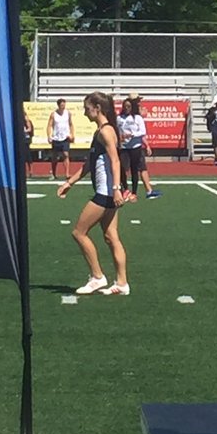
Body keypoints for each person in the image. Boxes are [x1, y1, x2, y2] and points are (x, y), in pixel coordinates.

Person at [57, 91, 130, 296]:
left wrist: (116, 190)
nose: (84, 112)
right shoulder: (101, 131)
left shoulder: (106, 132)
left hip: (106, 193)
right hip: (108, 193)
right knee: (110, 236)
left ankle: (97, 277)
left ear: (97, 109)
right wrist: (70, 182)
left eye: (87, 108)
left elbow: (115, 161)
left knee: (79, 232)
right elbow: (90, 164)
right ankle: (122, 283)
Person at [118, 96, 161, 199]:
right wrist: (119, 137)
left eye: (129, 106)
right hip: (123, 147)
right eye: (125, 106)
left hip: (135, 147)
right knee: (122, 168)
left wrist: (132, 135)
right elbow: (116, 130)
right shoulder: (119, 118)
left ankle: (135, 192)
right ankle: (125, 189)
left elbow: (142, 132)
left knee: (135, 169)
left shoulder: (137, 117)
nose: (127, 108)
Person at [46, 97, 74, 180]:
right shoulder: (53, 114)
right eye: (61, 105)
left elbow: (71, 124)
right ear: (58, 105)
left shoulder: (68, 113)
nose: (63, 106)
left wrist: (72, 134)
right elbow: (49, 125)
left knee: (66, 154)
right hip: (56, 137)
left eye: (64, 105)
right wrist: (49, 136)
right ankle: (54, 173)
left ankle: (67, 173)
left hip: (65, 137)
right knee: (55, 156)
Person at [22, 106, 35, 178]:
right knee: (22, 156)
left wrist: (23, 131)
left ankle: (30, 171)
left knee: (27, 155)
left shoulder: (26, 119)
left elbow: (29, 129)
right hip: (21, 139)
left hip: (25, 139)